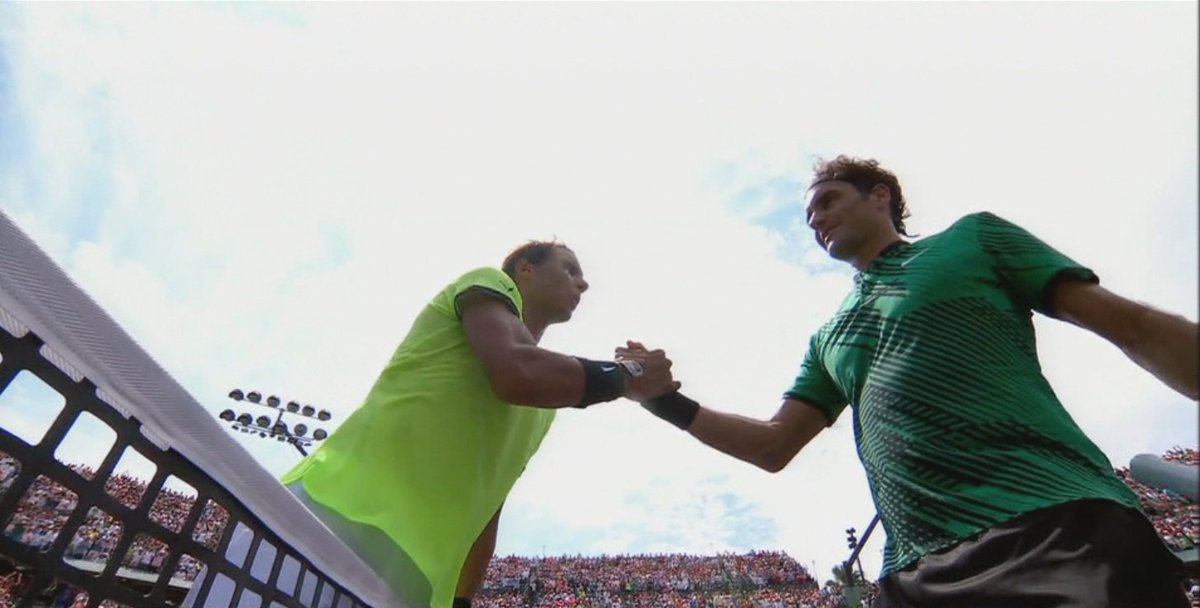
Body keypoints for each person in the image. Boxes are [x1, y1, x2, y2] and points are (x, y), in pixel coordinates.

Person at [627, 156, 1198, 607]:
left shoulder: (973, 239)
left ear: (881, 196)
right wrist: (667, 403)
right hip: (915, 571)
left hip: (1054, 521)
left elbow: (1131, 323)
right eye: (808, 217)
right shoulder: (827, 338)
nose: (816, 220)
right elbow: (773, 445)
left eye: (828, 201)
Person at [187, 241, 678, 608]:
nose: (583, 283)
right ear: (524, 271)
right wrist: (629, 376)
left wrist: (462, 601)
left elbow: (488, 507)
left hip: (413, 583)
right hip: (330, 520)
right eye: (570, 269)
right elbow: (515, 371)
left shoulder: (550, 398)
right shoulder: (489, 283)